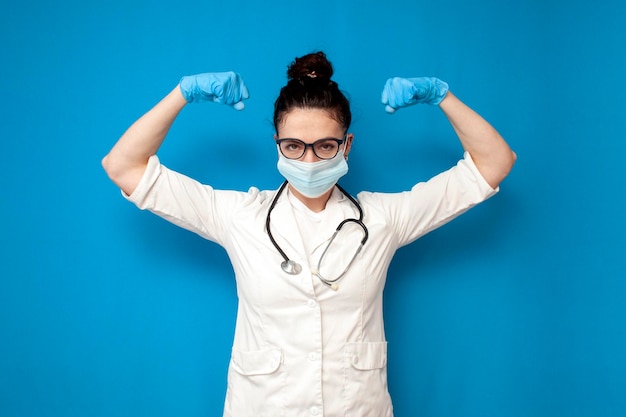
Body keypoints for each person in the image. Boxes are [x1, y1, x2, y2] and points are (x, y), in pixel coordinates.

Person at [102, 51, 516, 417]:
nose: (309, 159)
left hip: (356, 407)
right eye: (294, 146)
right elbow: (124, 165)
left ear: (347, 145)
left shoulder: (382, 218)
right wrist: (182, 95)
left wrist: (442, 97)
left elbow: (494, 162)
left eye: (325, 146)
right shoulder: (238, 216)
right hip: (262, 407)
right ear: (277, 144)